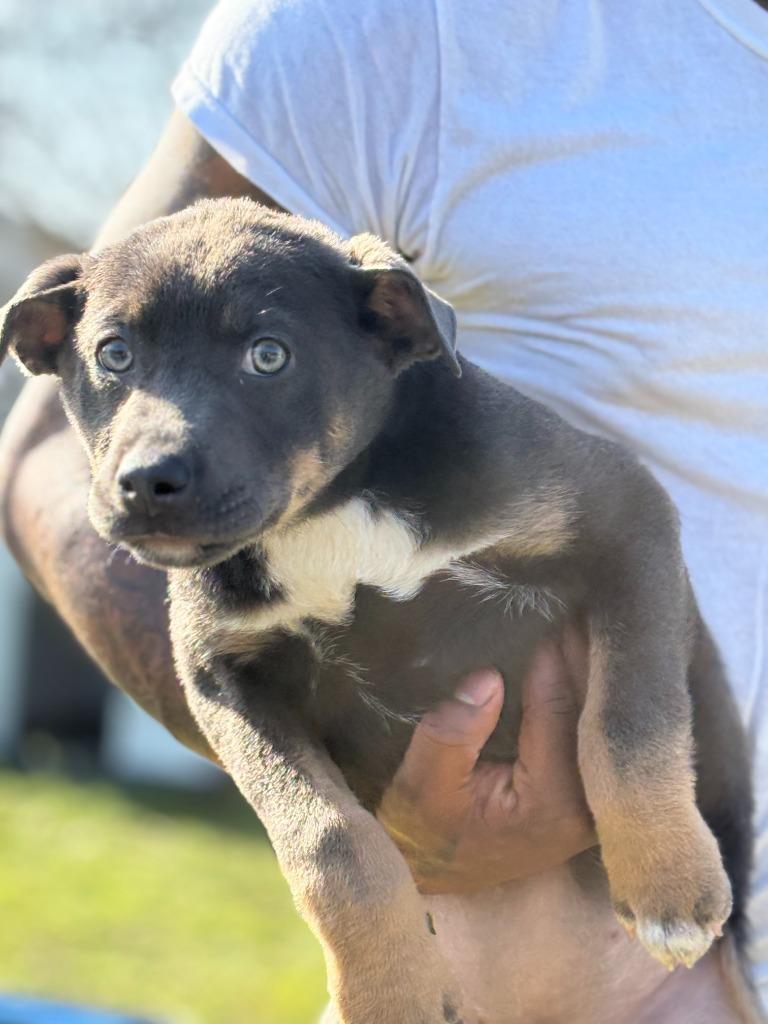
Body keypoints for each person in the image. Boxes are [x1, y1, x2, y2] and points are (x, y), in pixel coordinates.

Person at [1, 1, 766, 1019]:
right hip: (567, 981)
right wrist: (353, 812)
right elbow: (54, 454)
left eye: (264, 356)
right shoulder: (398, 22)